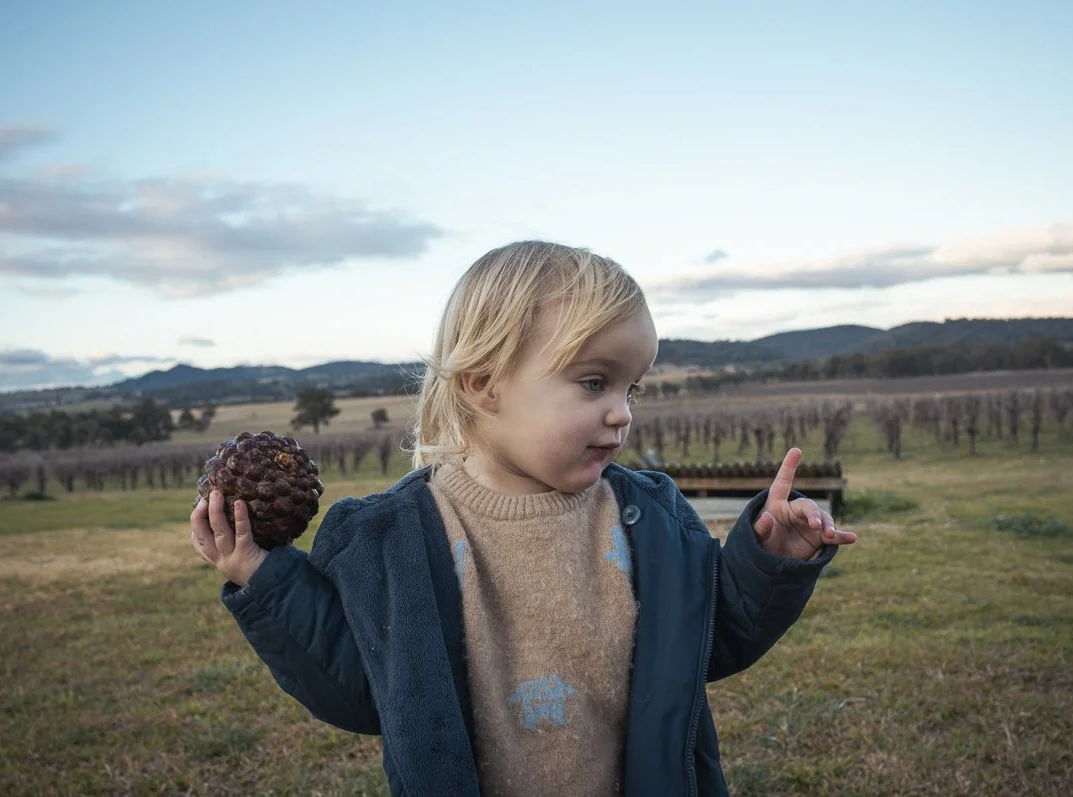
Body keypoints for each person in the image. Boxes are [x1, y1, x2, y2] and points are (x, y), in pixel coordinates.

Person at [190, 240, 857, 796]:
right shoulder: (391, 539)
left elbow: (711, 637)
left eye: (633, 386)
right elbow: (363, 690)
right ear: (484, 383)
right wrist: (265, 576)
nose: (622, 411)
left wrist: (770, 560)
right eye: (594, 382)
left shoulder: (647, 517)